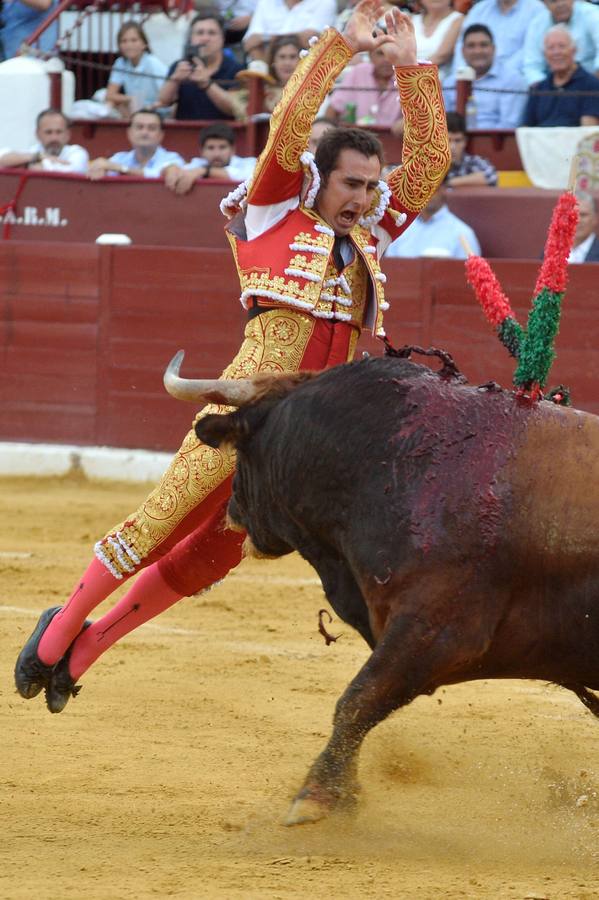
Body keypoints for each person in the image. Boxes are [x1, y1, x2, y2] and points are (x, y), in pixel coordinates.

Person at [14, 0, 450, 714]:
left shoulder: (369, 233)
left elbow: (428, 164)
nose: (365, 200)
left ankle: (86, 650)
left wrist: (411, 70)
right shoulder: (277, 205)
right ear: (318, 180)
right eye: (351, 184)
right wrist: (339, 44)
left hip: (314, 430)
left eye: (372, 187)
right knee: (161, 520)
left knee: (219, 552)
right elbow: (288, 127)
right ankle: (57, 631)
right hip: (247, 405)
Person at [157, 12, 243, 120]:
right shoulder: (179, 66)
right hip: (186, 133)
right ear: (191, 39)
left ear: (222, 39)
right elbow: (163, 102)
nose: (205, 38)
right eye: (199, 33)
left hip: (222, 134)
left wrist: (206, 84)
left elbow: (235, 109)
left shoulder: (236, 70)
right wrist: (174, 80)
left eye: (212, 33)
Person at [443, 24, 528, 129]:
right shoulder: (449, 83)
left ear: (493, 49)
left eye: (483, 45)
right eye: (471, 46)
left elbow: (509, 125)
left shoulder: (512, 81)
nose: (478, 51)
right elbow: (442, 125)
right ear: (462, 51)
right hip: (455, 143)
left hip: (496, 143)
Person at [523, 26, 599, 127]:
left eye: (562, 46)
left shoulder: (591, 85)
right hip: (540, 142)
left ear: (574, 50)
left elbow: (589, 133)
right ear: (545, 55)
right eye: (551, 48)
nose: (556, 52)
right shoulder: (538, 88)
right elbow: (526, 129)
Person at [385, 180, 481, 258]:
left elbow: (470, 277)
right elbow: (390, 269)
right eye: (422, 188)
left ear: (444, 189)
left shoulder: (463, 233)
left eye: (433, 188)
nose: (428, 194)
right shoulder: (401, 229)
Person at [451, 0, 545, 78]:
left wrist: (495, 74)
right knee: (439, 89)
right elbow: (462, 44)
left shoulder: (537, 10)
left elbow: (530, 52)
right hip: (471, 77)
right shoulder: (480, 9)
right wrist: (462, 74)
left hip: (513, 80)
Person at [87, 109, 184, 180]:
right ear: (129, 133)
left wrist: (121, 169)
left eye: (152, 128)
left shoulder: (172, 159)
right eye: (139, 127)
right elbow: (102, 167)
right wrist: (99, 168)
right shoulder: (119, 158)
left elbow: (158, 175)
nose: (144, 132)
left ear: (161, 135)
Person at [324, 45, 403, 130]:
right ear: (370, 55)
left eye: (392, 54)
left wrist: (406, 123)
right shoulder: (359, 72)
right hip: (357, 137)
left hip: (392, 140)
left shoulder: (407, 78)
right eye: (380, 54)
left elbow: (416, 116)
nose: (387, 60)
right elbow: (333, 109)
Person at [164, 122, 256, 193]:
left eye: (222, 147)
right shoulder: (197, 164)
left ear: (232, 150)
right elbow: (176, 170)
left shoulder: (249, 164)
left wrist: (204, 171)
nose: (216, 154)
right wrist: (171, 168)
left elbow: (244, 177)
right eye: (210, 148)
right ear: (202, 151)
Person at [523, 0, 599, 86]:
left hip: (591, 85)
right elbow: (532, 67)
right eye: (554, 1)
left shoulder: (593, 14)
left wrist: (591, 86)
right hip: (553, 86)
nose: (561, 4)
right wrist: (547, 91)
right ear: (545, 3)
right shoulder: (537, 24)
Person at [230, 33, 302, 118]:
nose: (287, 63)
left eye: (292, 57)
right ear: (273, 62)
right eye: (282, 57)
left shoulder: (310, 88)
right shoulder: (263, 91)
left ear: (301, 61)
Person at [104, 20, 168, 116]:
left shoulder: (153, 63)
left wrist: (148, 108)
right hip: (136, 110)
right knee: (110, 105)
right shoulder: (120, 63)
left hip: (158, 112)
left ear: (144, 44)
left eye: (134, 40)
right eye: (124, 41)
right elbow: (110, 95)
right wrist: (131, 99)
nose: (129, 45)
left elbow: (167, 98)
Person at [0, 108, 89, 173]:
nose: (54, 138)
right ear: (37, 134)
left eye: (59, 132)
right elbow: (2, 158)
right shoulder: (35, 151)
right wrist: (39, 156)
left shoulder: (77, 152)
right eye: (48, 132)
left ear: (68, 134)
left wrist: (39, 165)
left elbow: (74, 171)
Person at [243, 0, 336, 61]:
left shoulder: (325, 2)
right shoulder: (265, 2)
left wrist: (265, 38)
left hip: (306, 72)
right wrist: (269, 72)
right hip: (267, 72)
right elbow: (250, 43)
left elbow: (311, 38)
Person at [410, 0, 464, 80]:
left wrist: (410, 73)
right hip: (409, 77)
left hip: (441, 82)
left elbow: (442, 55)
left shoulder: (459, 19)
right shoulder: (411, 19)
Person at [445, 111, 497, 187]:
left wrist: (451, 182)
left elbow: (491, 177)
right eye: (448, 140)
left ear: (465, 141)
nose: (452, 147)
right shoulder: (429, 165)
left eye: (458, 140)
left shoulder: (473, 162)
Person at [568, 195, 599, 262]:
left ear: (595, 219)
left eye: (583, 215)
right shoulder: (553, 252)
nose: (578, 220)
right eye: (573, 215)